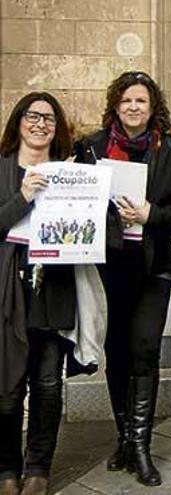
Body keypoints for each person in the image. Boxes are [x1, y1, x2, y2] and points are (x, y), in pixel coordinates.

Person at [75, 71, 171, 487]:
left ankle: (141, 446)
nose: (133, 108)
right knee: (116, 350)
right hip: (108, 265)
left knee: (145, 349)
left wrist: (149, 215)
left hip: (154, 264)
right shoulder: (91, 148)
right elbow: (78, 201)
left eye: (141, 101)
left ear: (152, 105)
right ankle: (123, 438)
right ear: (115, 105)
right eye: (126, 101)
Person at [0, 93, 77, 495]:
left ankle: (38, 469)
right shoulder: (2, 170)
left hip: (54, 292)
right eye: (32, 116)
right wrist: (23, 196)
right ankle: (6, 469)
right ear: (18, 123)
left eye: (49, 118)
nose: (40, 124)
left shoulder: (71, 172)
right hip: (9, 296)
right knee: (7, 390)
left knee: (48, 385)